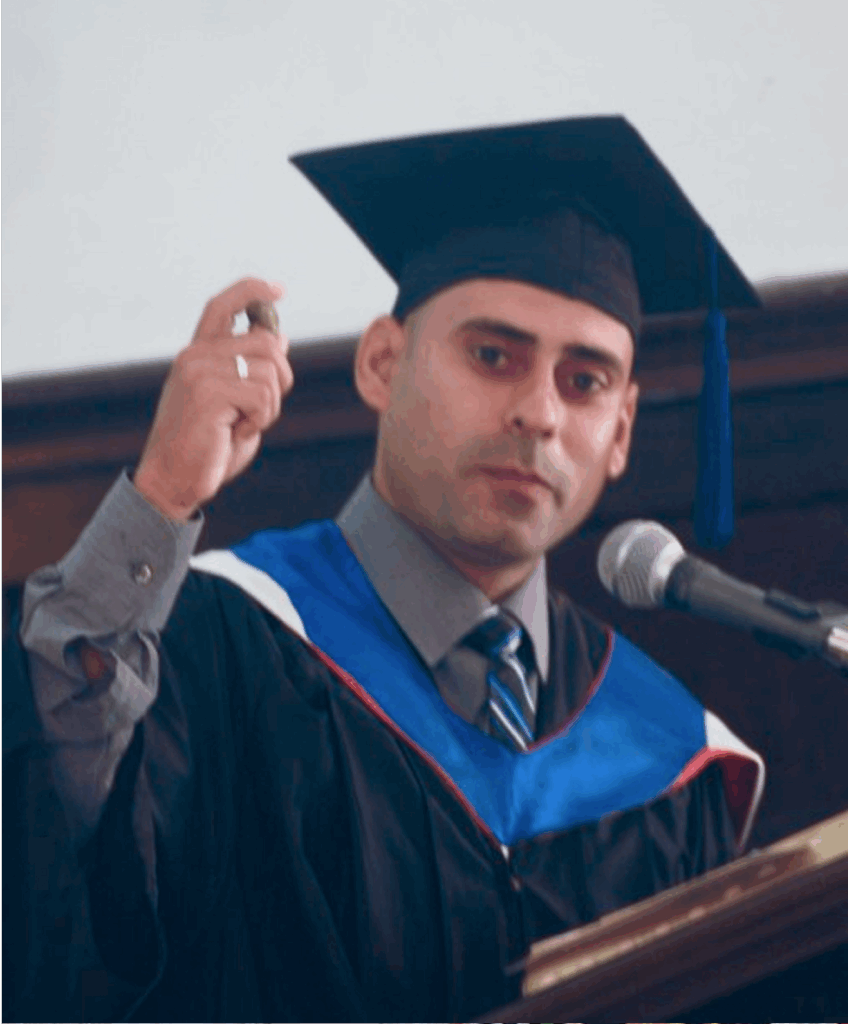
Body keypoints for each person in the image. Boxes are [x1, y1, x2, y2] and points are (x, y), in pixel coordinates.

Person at [3, 115, 765, 1024]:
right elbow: (60, 861)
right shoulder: (217, 639)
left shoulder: (663, 749)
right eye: (493, 356)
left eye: (585, 381)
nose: (539, 413)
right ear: (380, 364)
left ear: (623, 432)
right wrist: (160, 495)